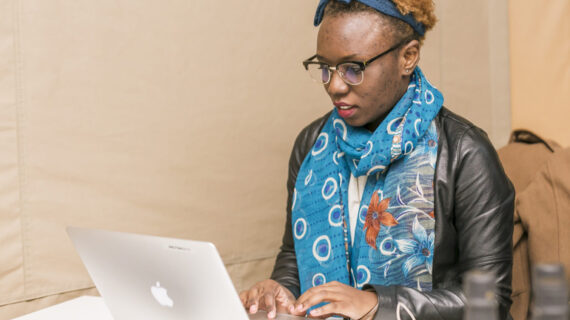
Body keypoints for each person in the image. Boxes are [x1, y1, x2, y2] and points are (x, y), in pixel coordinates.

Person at [240, 0, 514, 319]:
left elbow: (490, 300)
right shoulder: (310, 144)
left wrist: (378, 304)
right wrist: (279, 290)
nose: (335, 86)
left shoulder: (465, 153)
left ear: (408, 57)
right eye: (325, 68)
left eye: (353, 68)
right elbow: (294, 256)